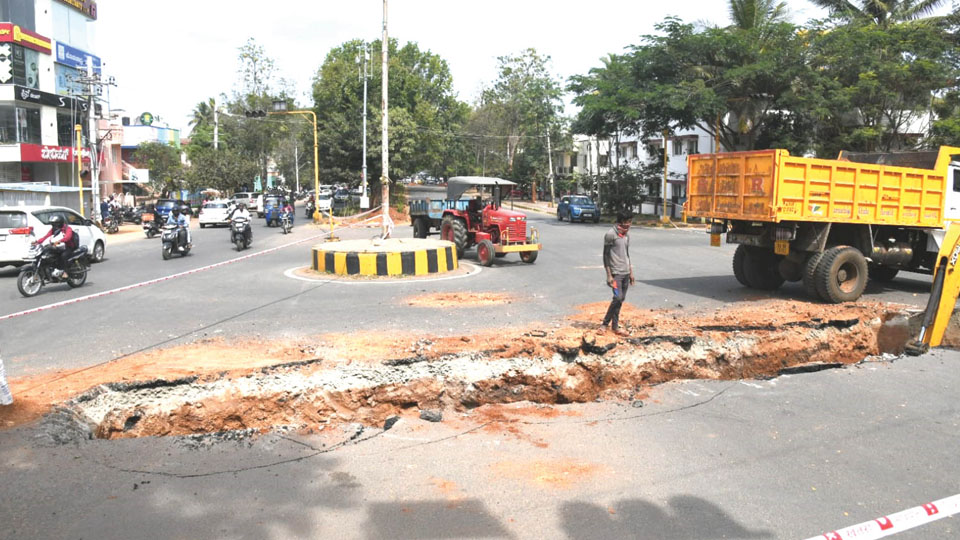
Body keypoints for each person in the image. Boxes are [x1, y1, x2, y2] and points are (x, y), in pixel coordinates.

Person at [602, 211, 635, 335]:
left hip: (625, 272)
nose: (629, 225)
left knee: (620, 300)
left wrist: (631, 272)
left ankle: (615, 326)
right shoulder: (611, 235)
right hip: (616, 273)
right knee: (617, 297)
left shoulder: (626, 235)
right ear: (621, 222)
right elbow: (605, 256)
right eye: (628, 222)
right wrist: (609, 275)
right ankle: (605, 324)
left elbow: (627, 254)